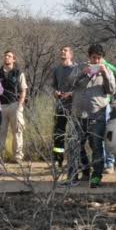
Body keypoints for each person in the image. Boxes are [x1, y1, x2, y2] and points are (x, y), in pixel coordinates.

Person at [68, 43, 116, 188]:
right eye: (93, 57)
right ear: (88, 57)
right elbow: (68, 83)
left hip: (97, 115)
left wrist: (105, 74)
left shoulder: (107, 70)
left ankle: (96, 178)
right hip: (78, 114)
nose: (96, 61)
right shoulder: (79, 68)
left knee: (96, 146)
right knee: (74, 146)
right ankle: (73, 177)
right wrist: (83, 73)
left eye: (98, 58)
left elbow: (112, 90)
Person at [50, 45, 80, 173]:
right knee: (58, 134)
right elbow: (54, 87)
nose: (62, 52)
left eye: (65, 50)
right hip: (60, 106)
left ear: (71, 55)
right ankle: (58, 160)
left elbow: (82, 88)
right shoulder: (57, 70)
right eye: (61, 50)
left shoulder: (77, 69)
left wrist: (71, 94)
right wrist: (55, 93)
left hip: (74, 108)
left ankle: (74, 162)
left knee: (74, 136)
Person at [0, 50, 28, 163]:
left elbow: (23, 89)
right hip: (1, 106)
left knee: (17, 131)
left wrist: (20, 104)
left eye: (9, 56)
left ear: (14, 59)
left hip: (15, 105)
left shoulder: (18, 73)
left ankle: (17, 157)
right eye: (5, 56)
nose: (7, 58)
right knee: (0, 132)